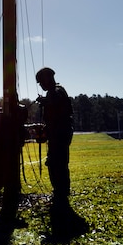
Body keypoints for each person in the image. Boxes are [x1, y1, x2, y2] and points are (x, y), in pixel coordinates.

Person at [36, 67, 74, 205]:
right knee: (57, 162)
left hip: (60, 133)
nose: (41, 85)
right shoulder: (57, 91)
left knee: (57, 162)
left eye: (41, 82)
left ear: (47, 80)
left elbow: (56, 103)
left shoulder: (56, 92)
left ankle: (61, 191)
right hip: (58, 132)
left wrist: (45, 102)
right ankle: (61, 190)